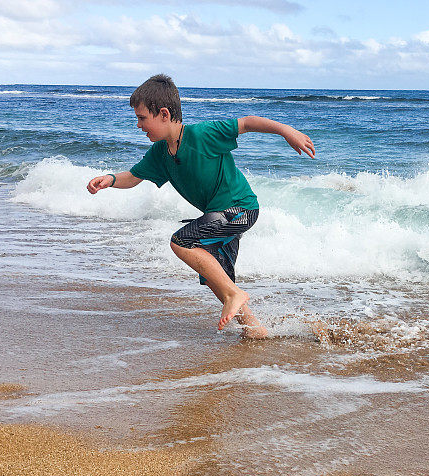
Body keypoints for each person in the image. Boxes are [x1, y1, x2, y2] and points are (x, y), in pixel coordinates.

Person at [87, 74, 315, 338]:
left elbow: (248, 123)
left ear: (163, 114)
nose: (138, 125)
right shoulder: (160, 153)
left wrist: (288, 131)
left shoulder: (203, 135)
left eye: (141, 118)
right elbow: (135, 177)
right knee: (214, 275)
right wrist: (110, 180)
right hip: (218, 215)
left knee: (181, 242)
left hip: (240, 208)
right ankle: (254, 329)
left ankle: (235, 295)